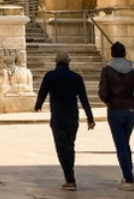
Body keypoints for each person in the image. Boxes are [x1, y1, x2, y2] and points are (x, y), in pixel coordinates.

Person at [34, 49, 95, 190]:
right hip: (72, 116)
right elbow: (84, 99)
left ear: (55, 61)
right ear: (69, 61)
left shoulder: (50, 76)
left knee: (61, 147)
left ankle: (70, 178)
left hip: (57, 115)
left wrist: (38, 106)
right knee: (70, 146)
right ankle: (70, 175)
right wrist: (90, 119)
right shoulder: (76, 77)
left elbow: (42, 92)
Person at [97, 41, 134, 191]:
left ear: (111, 54)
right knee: (125, 143)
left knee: (121, 145)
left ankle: (129, 178)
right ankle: (127, 174)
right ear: (125, 53)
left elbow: (103, 92)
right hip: (130, 110)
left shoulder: (107, 71)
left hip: (115, 109)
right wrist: (133, 100)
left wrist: (109, 101)